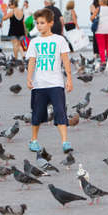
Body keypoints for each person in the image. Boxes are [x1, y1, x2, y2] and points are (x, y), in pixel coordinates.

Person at [26, 8, 73, 154]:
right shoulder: (34, 42)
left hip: (56, 83)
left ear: (51, 23)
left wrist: (69, 79)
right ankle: (33, 140)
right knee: (37, 113)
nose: (39, 26)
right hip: (39, 84)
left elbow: (66, 60)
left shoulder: (59, 40)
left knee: (60, 112)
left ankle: (65, 142)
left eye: (42, 23)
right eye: (37, 23)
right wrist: (29, 77)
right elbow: (32, 61)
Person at [90, 0, 108, 65]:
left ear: (100, 1)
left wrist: (95, 21)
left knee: (101, 46)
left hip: (100, 29)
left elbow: (92, 18)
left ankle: (103, 61)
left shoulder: (99, 8)